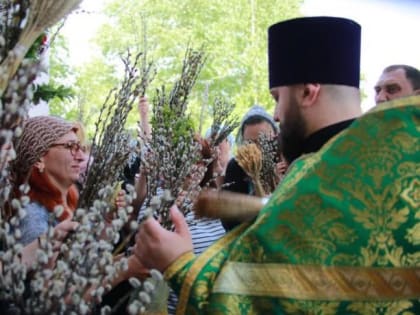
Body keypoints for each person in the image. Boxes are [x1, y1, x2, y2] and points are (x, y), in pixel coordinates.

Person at [133, 16, 420, 314]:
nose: (277, 114)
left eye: (277, 97)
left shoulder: (317, 183)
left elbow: (251, 303)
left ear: (309, 92)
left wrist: (178, 264)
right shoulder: (397, 154)